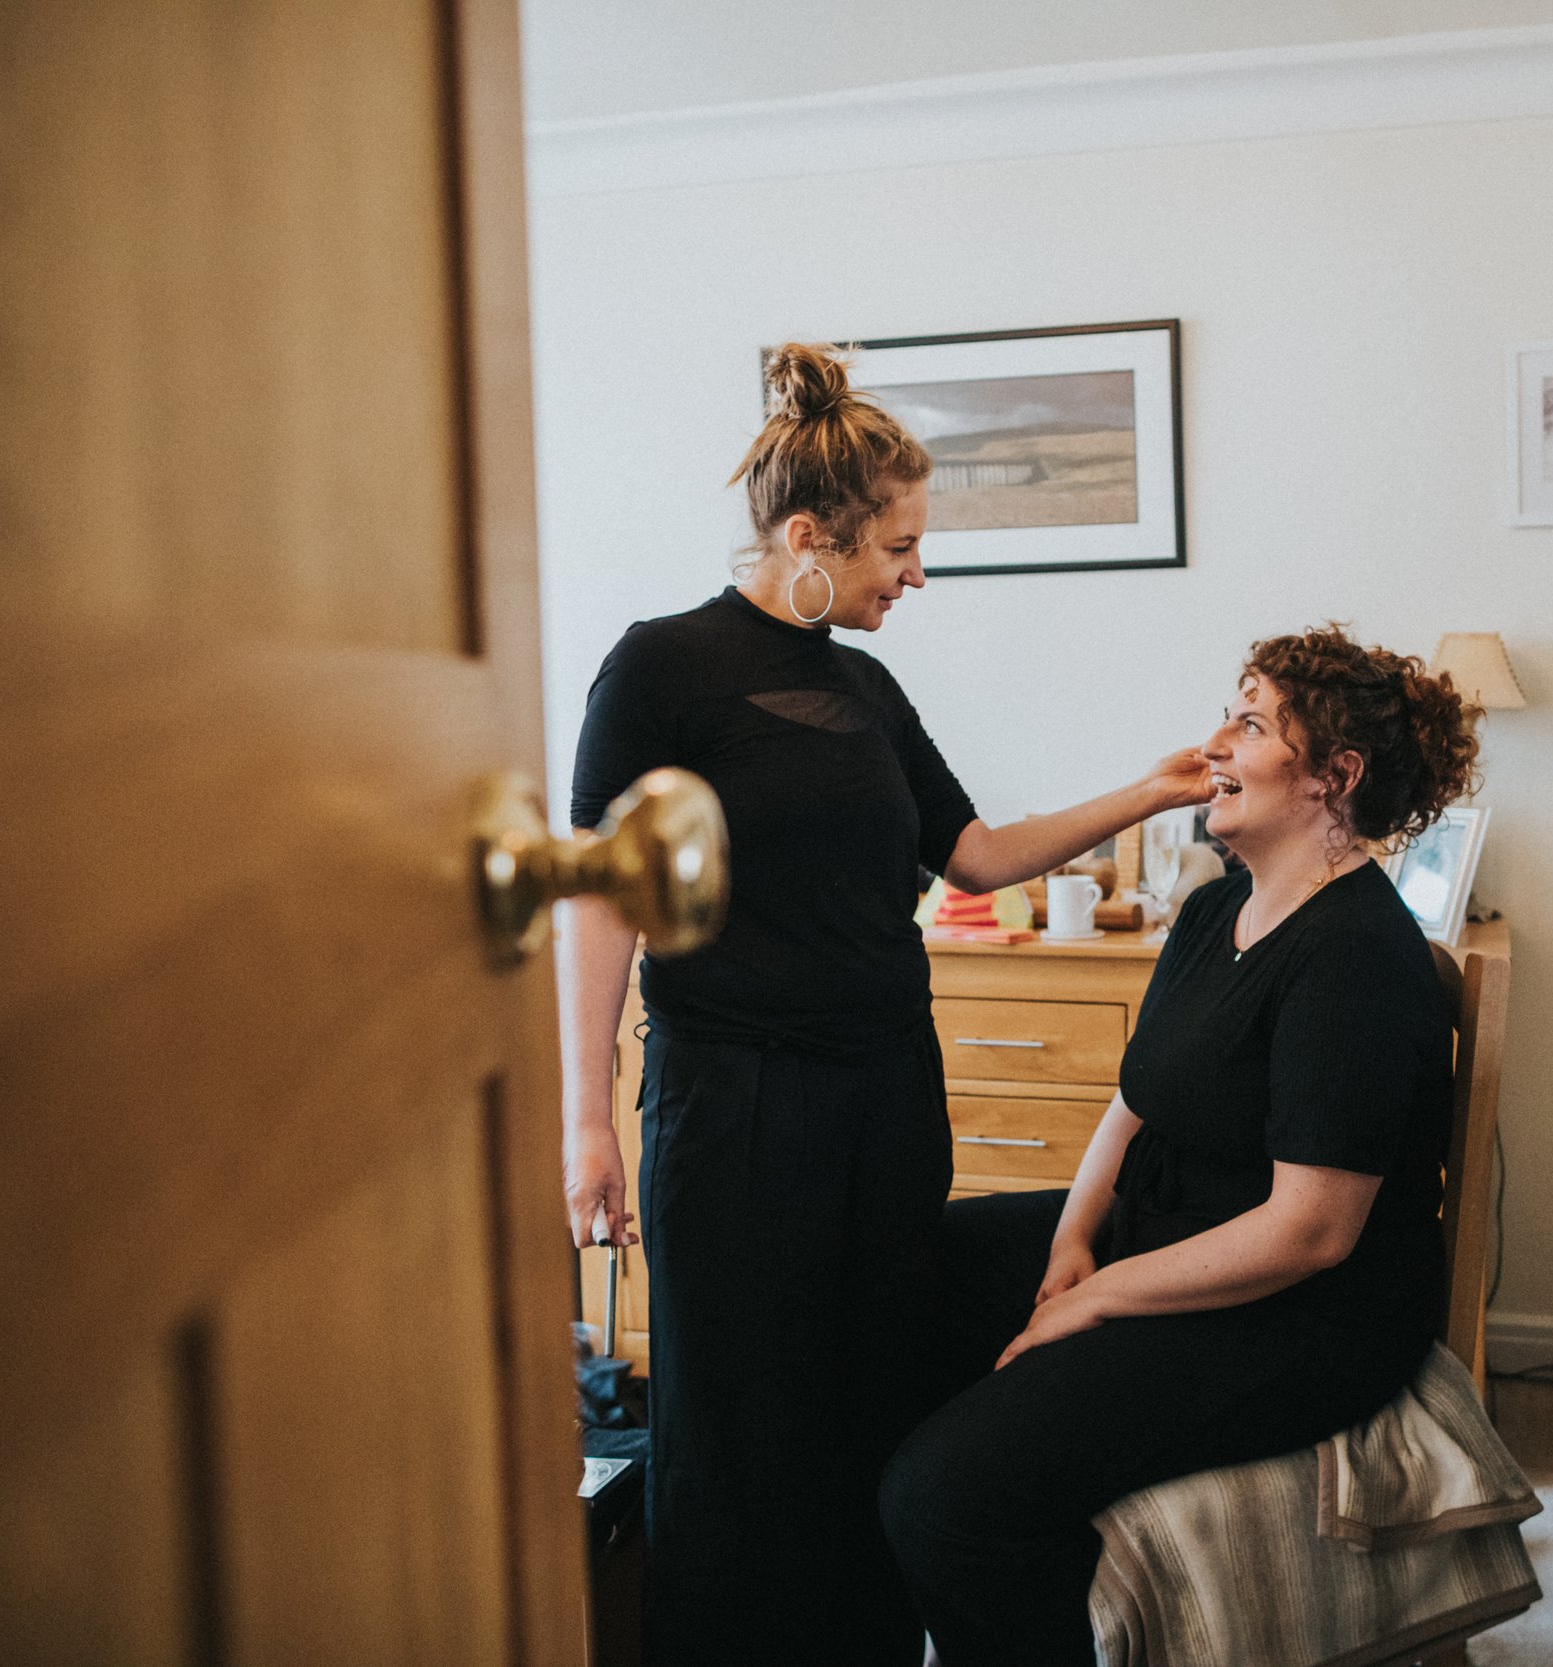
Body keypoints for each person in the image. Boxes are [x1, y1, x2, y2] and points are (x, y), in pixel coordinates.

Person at [558, 343, 1212, 1667]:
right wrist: (584, 1119)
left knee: (875, 1409)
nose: (914, 572)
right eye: (897, 546)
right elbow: (599, 899)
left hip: (886, 1101)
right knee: (740, 1432)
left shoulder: (864, 689)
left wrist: (1148, 791)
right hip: (733, 1107)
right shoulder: (660, 669)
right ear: (809, 535)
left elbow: (972, 850)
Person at [879, 626, 1482, 1667]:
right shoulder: (1211, 912)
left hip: (1298, 1311)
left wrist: (1101, 1295)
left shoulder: (1357, 960)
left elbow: (1307, 1233)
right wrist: (1073, 1240)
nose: (1213, 741)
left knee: (942, 1495)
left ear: (1334, 777)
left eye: (1249, 721)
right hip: (1165, 1231)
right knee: (894, 1278)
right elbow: (1132, 1102)